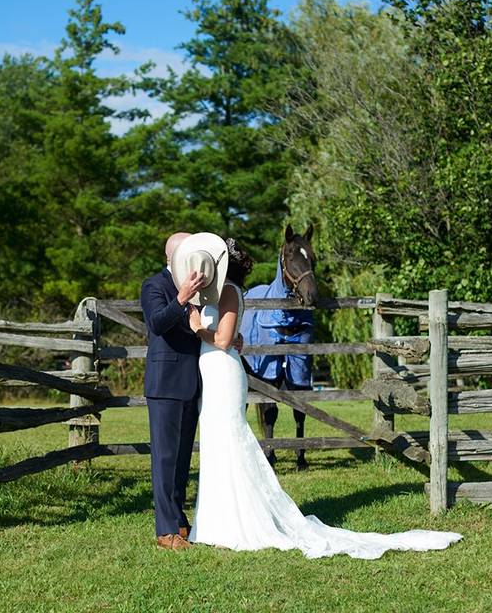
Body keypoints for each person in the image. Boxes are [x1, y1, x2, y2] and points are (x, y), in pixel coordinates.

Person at [183, 234, 463, 559]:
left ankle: (238, 521)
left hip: (223, 372)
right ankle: (219, 519)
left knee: (229, 442)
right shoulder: (221, 294)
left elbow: (221, 339)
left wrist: (197, 329)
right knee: (219, 444)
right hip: (217, 375)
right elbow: (232, 335)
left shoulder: (229, 292)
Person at [139, 231, 210, 551]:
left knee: (182, 459)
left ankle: (179, 521)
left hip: (191, 381)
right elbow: (157, 323)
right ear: (173, 256)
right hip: (165, 382)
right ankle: (165, 531)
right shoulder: (154, 285)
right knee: (165, 458)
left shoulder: (200, 289)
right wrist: (180, 298)